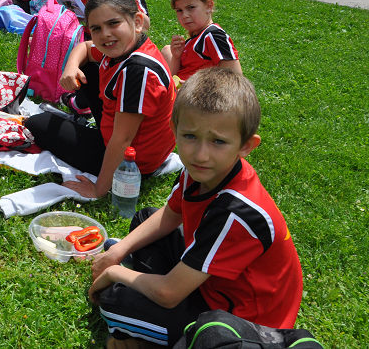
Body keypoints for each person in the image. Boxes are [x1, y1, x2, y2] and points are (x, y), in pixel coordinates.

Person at [89, 68, 303, 347]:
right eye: (190, 136)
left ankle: (157, 329)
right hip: (211, 283)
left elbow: (168, 294)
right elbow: (170, 215)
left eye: (218, 141)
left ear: (246, 146)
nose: (201, 154)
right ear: (174, 130)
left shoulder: (236, 212)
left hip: (244, 321)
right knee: (144, 219)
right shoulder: (200, 171)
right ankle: (153, 301)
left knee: (113, 300)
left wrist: (115, 272)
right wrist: (117, 251)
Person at [24, 0, 176, 197]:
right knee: (86, 68)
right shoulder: (126, 46)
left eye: (113, 23)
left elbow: (122, 140)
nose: (105, 34)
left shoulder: (137, 71)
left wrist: (98, 189)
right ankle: (82, 112)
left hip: (134, 162)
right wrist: (71, 67)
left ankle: (82, 118)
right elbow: (86, 48)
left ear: (138, 22)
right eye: (96, 28)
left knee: (37, 124)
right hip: (130, 137)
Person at [160, 0, 241, 85]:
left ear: (209, 6)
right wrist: (176, 57)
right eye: (179, 10)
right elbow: (172, 75)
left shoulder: (214, 35)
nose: (185, 15)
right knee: (167, 50)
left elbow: (235, 78)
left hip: (199, 93)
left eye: (191, 7)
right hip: (182, 90)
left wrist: (197, 87)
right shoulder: (195, 38)